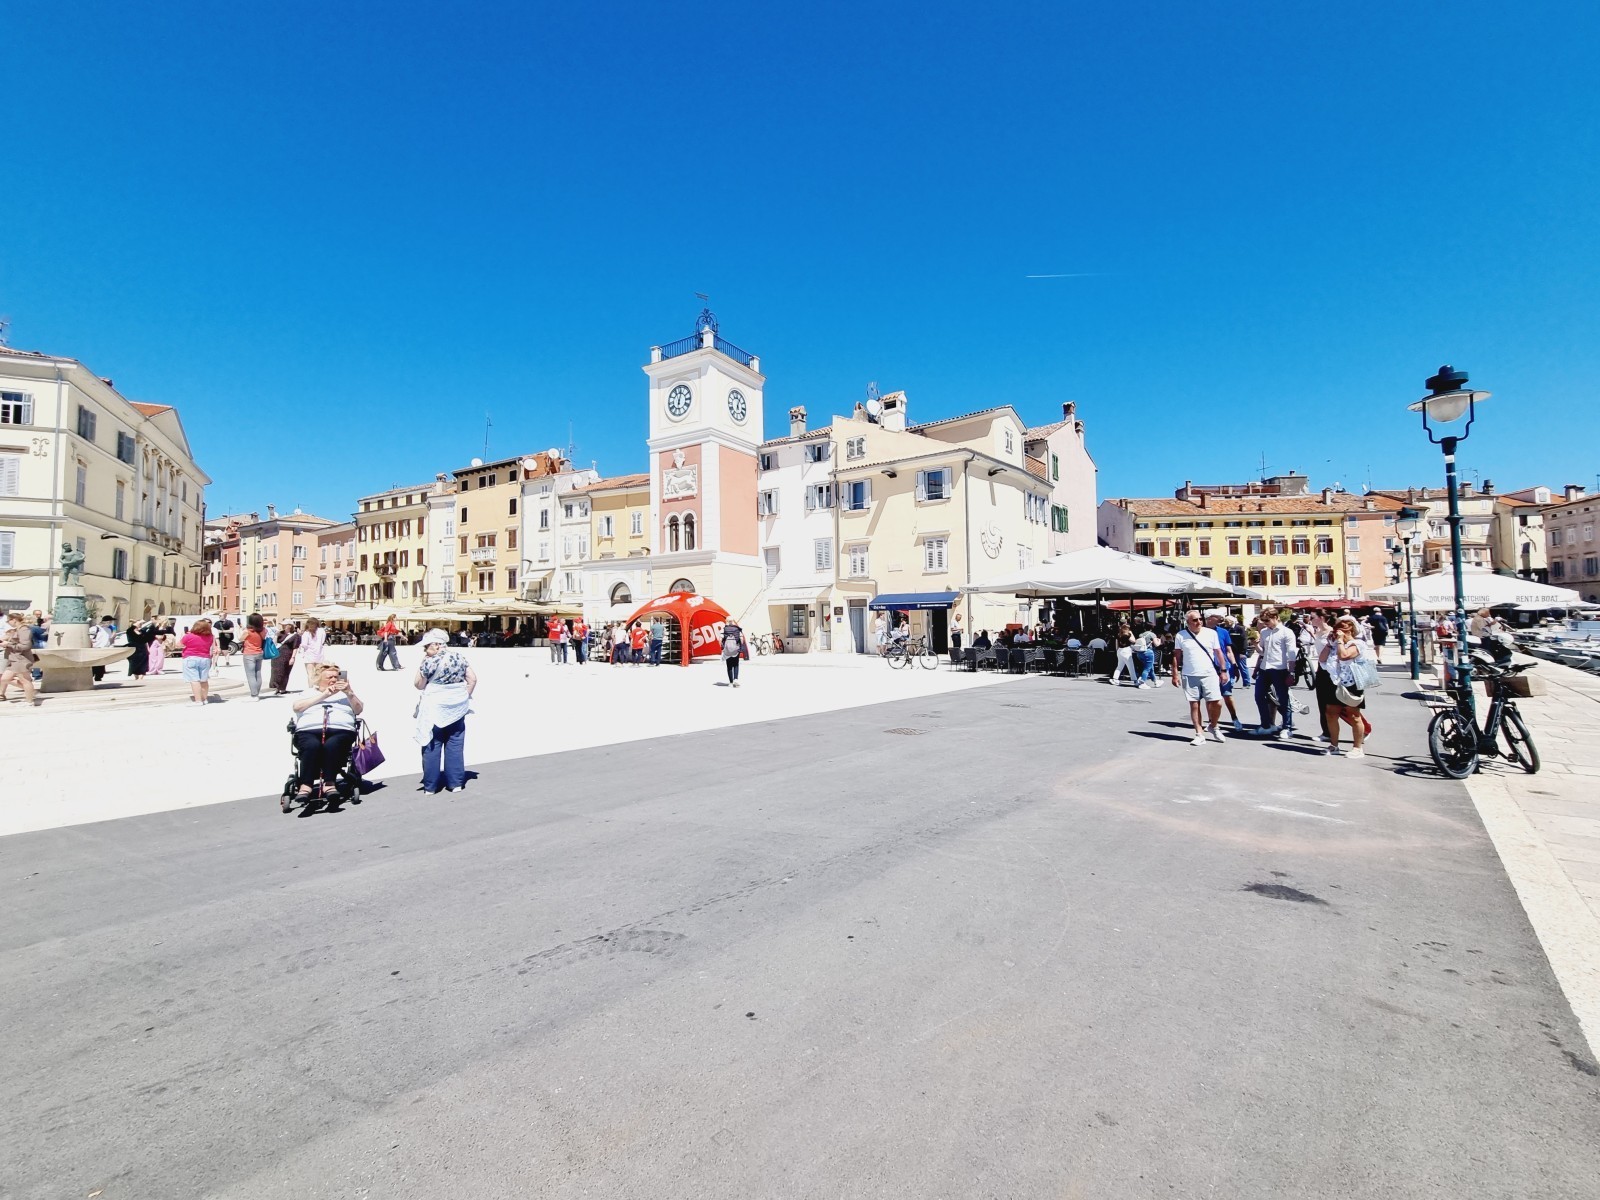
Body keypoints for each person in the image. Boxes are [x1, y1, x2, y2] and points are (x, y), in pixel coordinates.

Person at [290, 662, 364, 802]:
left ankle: (329, 783)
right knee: (311, 745)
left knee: (332, 745)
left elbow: (358, 709)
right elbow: (297, 707)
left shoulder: (345, 695)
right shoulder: (309, 693)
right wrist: (324, 695)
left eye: (336, 677)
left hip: (341, 730)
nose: (334, 680)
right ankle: (306, 785)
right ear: (319, 679)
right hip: (309, 730)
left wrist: (349, 692)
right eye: (329, 677)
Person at [413, 628, 476, 793]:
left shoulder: (430, 661)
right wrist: (464, 696)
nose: (424, 650)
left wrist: (422, 663)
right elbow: (472, 679)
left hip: (434, 707)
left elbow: (418, 684)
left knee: (432, 744)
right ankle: (455, 783)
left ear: (436, 645)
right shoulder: (459, 657)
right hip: (457, 707)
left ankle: (431, 786)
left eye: (426, 646)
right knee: (455, 743)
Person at [1172, 609, 1227, 746]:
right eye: (1195, 620)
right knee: (1194, 704)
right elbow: (1176, 655)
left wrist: (1223, 670)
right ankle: (1199, 734)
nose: (1199, 622)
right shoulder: (1181, 635)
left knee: (1217, 702)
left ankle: (1213, 726)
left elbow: (1218, 652)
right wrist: (1175, 674)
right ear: (1188, 622)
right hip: (1190, 674)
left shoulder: (1211, 633)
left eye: (1200, 619)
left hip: (1209, 673)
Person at [1320, 616, 1371, 757]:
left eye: (1344, 630)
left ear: (1351, 631)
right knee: (1331, 713)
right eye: (1337, 629)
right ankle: (1334, 745)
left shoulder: (1358, 644)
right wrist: (1329, 644)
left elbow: (1344, 655)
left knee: (1353, 715)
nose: (1340, 632)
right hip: (1334, 681)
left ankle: (1357, 748)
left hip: (1351, 683)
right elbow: (1322, 659)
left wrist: (1341, 641)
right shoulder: (1335, 644)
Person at [1254, 606, 1298, 739]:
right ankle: (1266, 725)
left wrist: (1291, 672)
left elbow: (1291, 654)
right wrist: (1256, 645)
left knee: (1283, 699)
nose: (1265, 623)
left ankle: (1287, 727)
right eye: (1263, 620)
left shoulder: (1287, 632)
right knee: (1259, 696)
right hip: (1265, 668)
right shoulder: (1264, 632)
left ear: (1276, 617)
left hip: (1280, 668)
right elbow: (1262, 652)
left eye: (1267, 620)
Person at [1205, 611, 1244, 730]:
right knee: (1210, 696)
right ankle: (1212, 721)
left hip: (1223, 666)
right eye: (1218, 616)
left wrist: (1234, 665)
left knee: (1227, 694)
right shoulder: (1201, 632)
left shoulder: (1223, 632)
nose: (1221, 618)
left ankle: (1234, 718)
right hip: (1208, 667)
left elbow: (1229, 651)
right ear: (1210, 618)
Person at [2, 611, 41, 706]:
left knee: (25, 680)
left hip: (21, 659)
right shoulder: (16, 630)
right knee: (4, 679)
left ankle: (29, 701)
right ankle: (31, 692)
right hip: (14, 659)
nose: (8, 623)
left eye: (8, 621)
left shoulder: (24, 630)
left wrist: (8, 644)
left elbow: (25, 646)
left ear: (14, 620)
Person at [181, 617, 218, 705]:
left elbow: (179, 644)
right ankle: (204, 699)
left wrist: (183, 635)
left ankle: (198, 700)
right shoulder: (211, 637)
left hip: (191, 657)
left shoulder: (189, 636)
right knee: (204, 680)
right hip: (205, 658)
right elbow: (213, 647)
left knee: (194, 680)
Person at [232, 612, 266, 700]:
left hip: (249, 654)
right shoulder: (263, 630)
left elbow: (240, 638)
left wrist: (238, 629)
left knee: (251, 675)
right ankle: (257, 693)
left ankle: (254, 695)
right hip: (259, 652)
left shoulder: (248, 631)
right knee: (258, 674)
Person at [270, 622, 300, 695]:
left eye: (284, 625)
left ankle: (283, 689)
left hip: (287, 655)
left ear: (289, 626)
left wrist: (293, 657)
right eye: (282, 625)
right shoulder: (280, 633)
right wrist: (276, 636)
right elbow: (274, 644)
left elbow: (295, 647)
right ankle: (277, 688)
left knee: (285, 672)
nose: (283, 626)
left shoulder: (295, 635)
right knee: (276, 671)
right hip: (277, 654)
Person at [298, 617, 327, 687]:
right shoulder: (322, 631)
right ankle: (318, 687)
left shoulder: (306, 633)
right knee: (319, 673)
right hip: (319, 654)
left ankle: (311, 688)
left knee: (310, 674)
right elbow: (322, 641)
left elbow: (304, 645)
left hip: (309, 655)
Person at [720, 618, 748, 687]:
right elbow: (741, 639)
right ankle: (736, 679)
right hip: (736, 649)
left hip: (727, 650)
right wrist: (740, 646)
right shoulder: (737, 629)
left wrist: (722, 647)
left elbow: (720, 639)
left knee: (729, 666)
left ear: (726, 621)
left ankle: (731, 682)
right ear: (733, 621)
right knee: (736, 664)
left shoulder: (724, 629)